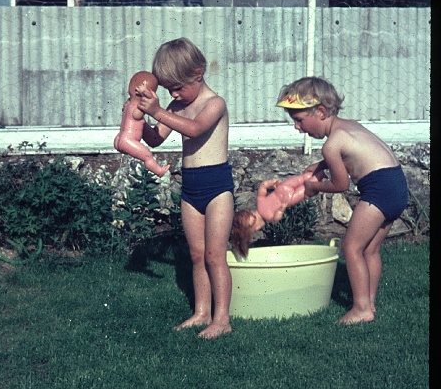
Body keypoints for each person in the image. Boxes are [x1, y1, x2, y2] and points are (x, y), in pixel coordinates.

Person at [276, 76, 408, 324]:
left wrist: (314, 187)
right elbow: (354, 150)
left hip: (378, 190)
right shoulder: (348, 126)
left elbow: (340, 185)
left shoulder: (331, 145)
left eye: (300, 120)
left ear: (321, 112)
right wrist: (322, 164)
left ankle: (360, 309)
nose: (297, 127)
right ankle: (369, 303)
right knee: (370, 249)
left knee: (351, 247)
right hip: (397, 185)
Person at [136, 38, 234, 339]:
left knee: (215, 255)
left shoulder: (214, 104)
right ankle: (202, 312)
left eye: (178, 87)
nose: (174, 94)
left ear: (198, 72)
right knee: (196, 253)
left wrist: (157, 111)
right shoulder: (177, 105)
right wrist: (136, 115)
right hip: (190, 186)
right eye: (168, 90)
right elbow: (155, 139)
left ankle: (222, 319)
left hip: (217, 186)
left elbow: (194, 129)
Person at [230, 170, 325, 259]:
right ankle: (317, 172)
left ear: (255, 227)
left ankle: (319, 175)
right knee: (301, 179)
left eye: (255, 229)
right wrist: (272, 182)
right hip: (281, 188)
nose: (258, 229)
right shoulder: (260, 203)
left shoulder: (268, 217)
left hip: (288, 199)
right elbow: (262, 186)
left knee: (306, 189)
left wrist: (281, 209)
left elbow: (276, 219)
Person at [114, 71, 170, 177]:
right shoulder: (137, 110)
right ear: (142, 93)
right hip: (128, 141)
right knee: (147, 156)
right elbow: (147, 109)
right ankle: (159, 171)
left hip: (119, 139)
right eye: (152, 92)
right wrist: (152, 102)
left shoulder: (127, 105)